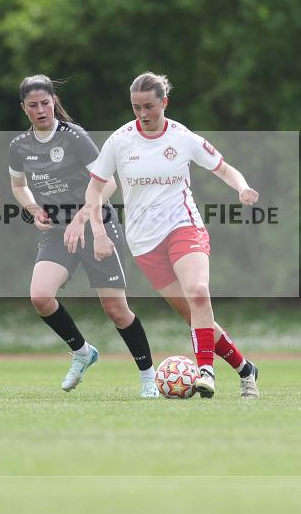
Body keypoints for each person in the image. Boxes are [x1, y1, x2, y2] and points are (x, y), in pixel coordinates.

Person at [66, 72, 260, 399]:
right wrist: (98, 231)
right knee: (195, 315)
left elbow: (224, 168)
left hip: (183, 226)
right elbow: (95, 189)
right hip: (144, 244)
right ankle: (245, 369)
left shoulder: (182, 137)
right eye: (136, 107)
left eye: (149, 106)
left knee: (198, 292)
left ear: (164, 103)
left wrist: (242, 187)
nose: (142, 113)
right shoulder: (120, 140)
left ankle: (206, 371)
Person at [9, 75, 158, 398]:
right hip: (57, 233)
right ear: (24, 108)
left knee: (116, 310)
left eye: (45, 103)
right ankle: (81, 351)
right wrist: (34, 209)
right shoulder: (19, 146)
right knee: (40, 297)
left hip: (96, 227)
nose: (40, 110)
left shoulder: (74, 137)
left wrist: (80, 219)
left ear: (54, 102)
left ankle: (149, 376)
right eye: (33, 105)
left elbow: (109, 185)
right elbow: (18, 187)